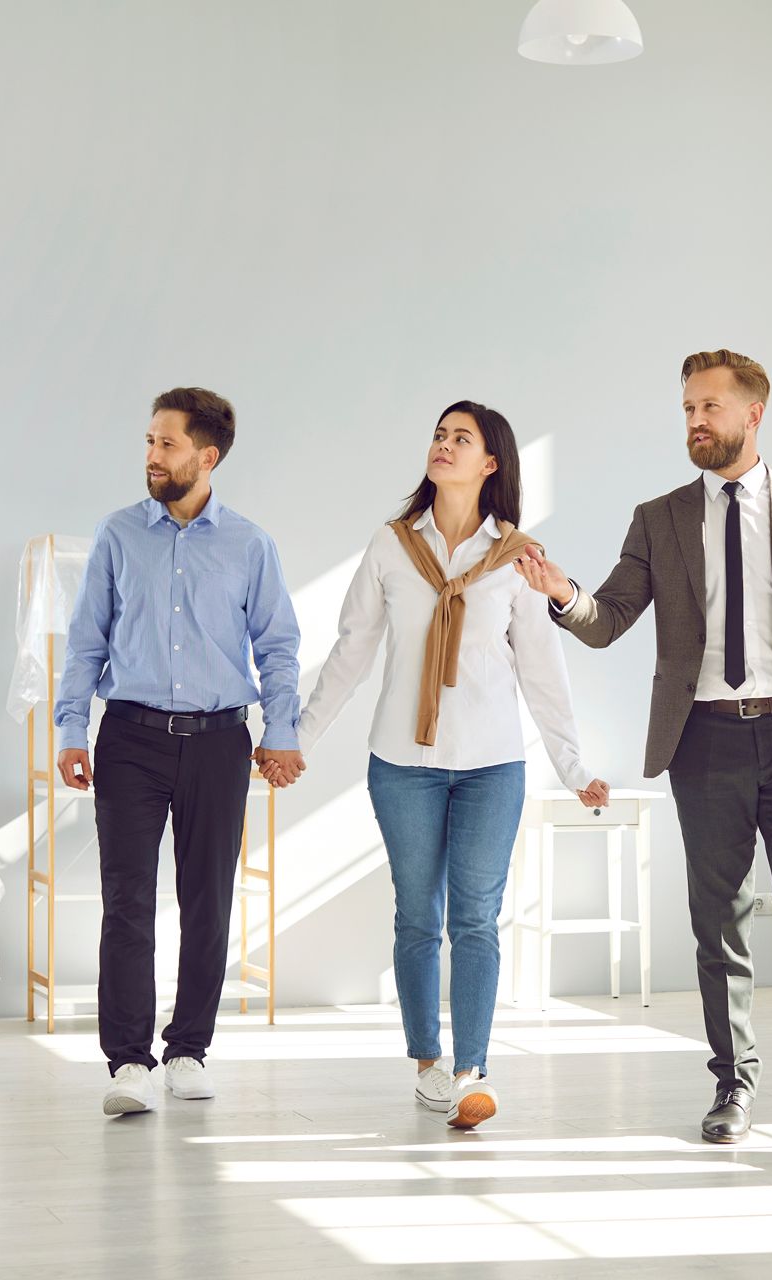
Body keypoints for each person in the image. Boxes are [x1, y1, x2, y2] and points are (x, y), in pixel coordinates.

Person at [516, 349, 772, 1149]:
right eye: (688, 408)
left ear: (752, 413)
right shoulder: (658, 517)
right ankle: (733, 1090)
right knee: (719, 922)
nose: (695, 421)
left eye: (709, 408)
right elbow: (612, 616)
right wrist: (563, 595)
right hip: (704, 739)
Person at [298, 400, 606, 1129]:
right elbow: (351, 651)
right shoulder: (392, 545)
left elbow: (542, 672)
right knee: (417, 916)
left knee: (475, 918)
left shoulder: (518, 558)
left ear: (490, 462)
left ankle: (472, 1071)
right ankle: (427, 1064)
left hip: (491, 766)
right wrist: (298, 740)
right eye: (439, 435)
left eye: (460, 439)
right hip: (402, 762)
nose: (442, 445)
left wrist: (573, 766)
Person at [56, 387, 305, 1118]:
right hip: (128, 736)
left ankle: (188, 1049)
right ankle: (127, 1063)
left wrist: (280, 729)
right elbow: (85, 642)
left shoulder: (250, 545)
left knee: (208, 902)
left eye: (166, 445)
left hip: (219, 741)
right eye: (148, 442)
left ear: (207, 455)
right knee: (127, 902)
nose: (152, 457)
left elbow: (279, 647)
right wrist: (72, 730)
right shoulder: (117, 535)